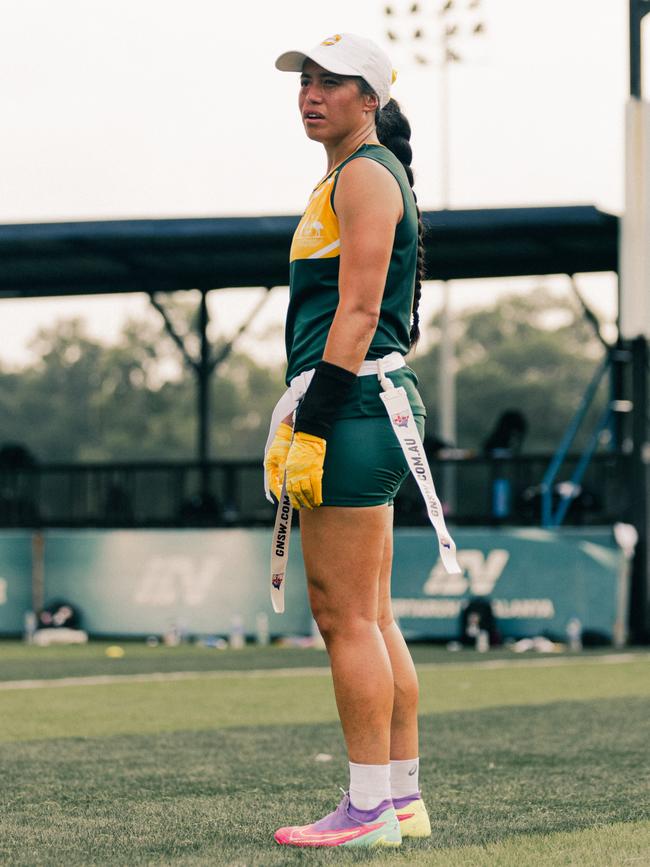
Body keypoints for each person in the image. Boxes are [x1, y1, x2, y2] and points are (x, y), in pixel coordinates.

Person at [265, 32, 434, 849]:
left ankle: (368, 807)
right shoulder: (351, 173)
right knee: (374, 613)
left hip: (357, 405)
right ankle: (399, 797)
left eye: (333, 82)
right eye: (306, 80)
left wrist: (314, 420)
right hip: (371, 403)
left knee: (345, 617)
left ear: (371, 99)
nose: (312, 93)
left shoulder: (365, 174)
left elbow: (360, 312)